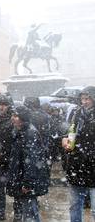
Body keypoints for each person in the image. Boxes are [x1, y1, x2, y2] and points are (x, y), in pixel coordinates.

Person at [6, 106, 49, 222]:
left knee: (30, 213)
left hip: (25, 180)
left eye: (16, 116)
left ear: (22, 118)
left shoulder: (29, 133)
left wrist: (28, 183)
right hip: (20, 178)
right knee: (24, 211)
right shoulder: (19, 131)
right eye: (13, 115)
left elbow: (32, 161)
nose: (12, 118)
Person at [61, 86, 95, 222]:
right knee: (75, 206)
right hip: (76, 165)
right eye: (82, 99)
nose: (84, 102)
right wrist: (65, 139)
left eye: (87, 99)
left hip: (93, 166)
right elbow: (71, 132)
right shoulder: (76, 113)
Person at [0, 94, 16, 221]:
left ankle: (18, 214)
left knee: (16, 188)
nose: (1, 107)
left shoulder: (14, 119)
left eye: (4, 104)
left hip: (12, 160)